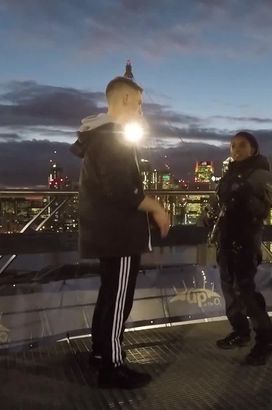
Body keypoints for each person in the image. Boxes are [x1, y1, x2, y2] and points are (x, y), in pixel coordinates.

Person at [70, 72, 170, 389]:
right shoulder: (111, 137)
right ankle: (113, 366)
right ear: (125, 99)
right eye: (139, 104)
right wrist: (155, 207)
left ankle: (101, 353)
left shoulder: (97, 136)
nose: (140, 111)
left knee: (109, 295)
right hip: (119, 234)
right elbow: (120, 190)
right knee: (119, 300)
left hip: (105, 231)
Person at [211, 131, 272, 365]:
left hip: (246, 238)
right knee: (229, 288)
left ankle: (266, 338)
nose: (236, 149)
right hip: (227, 237)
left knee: (245, 290)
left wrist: (241, 198)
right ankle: (240, 332)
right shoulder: (232, 172)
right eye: (232, 146)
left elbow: (260, 206)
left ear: (253, 149)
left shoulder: (260, 173)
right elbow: (221, 200)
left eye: (241, 145)